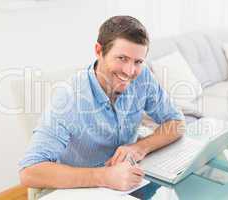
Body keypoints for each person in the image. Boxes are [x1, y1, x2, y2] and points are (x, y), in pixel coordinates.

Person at [19, 15, 185, 191]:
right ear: (99, 51)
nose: (130, 71)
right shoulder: (70, 96)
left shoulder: (142, 77)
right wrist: (104, 176)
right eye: (122, 58)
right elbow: (29, 172)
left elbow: (177, 123)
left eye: (138, 61)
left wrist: (140, 147)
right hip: (81, 187)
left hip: (128, 180)